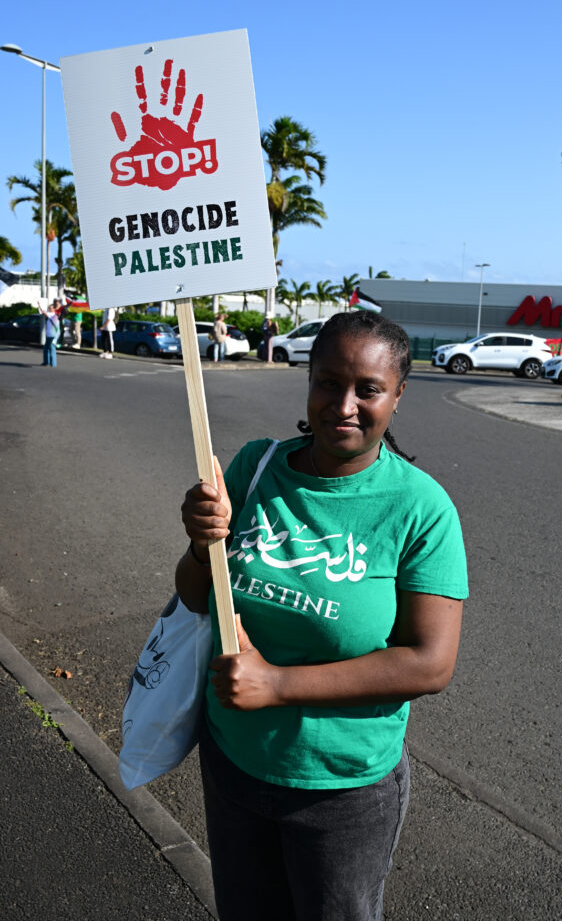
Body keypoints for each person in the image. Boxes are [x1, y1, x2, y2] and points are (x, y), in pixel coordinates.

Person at [176, 311, 468, 921]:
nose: (344, 405)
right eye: (328, 383)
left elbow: (431, 663)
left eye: (368, 389)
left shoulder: (422, 507)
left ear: (398, 396)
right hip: (234, 763)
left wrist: (277, 685)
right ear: (307, 381)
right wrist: (201, 542)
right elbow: (197, 596)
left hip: (342, 791)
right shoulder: (257, 467)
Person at [38, 299, 63, 367]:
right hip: (52, 334)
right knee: (49, 348)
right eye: (48, 308)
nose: (49, 309)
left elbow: (43, 312)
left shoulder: (52, 314)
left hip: (52, 335)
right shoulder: (55, 315)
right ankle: (50, 363)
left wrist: (39, 305)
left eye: (50, 308)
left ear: (53, 309)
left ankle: (50, 363)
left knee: (49, 348)